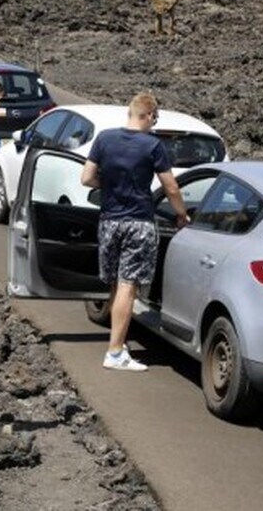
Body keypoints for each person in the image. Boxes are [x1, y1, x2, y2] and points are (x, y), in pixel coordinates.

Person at [79, 92, 189, 372]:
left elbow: (86, 178)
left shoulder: (104, 138)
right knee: (129, 286)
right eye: (156, 117)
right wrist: (181, 214)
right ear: (149, 115)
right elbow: (171, 187)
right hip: (138, 223)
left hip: (108, 222)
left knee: (117, 284)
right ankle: (115, 352)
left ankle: (119, 343)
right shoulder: (153, 146)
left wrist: (112, 184)